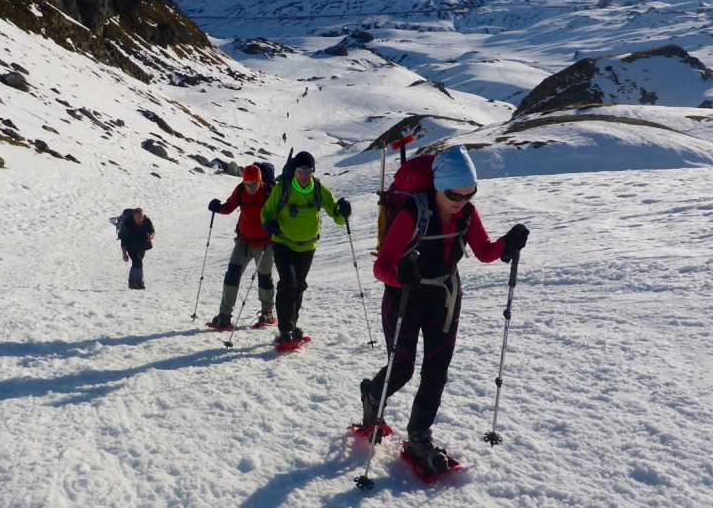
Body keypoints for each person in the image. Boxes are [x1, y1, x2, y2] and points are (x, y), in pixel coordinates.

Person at [359, 145, 528, 475]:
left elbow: (484, 252)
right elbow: (381, 267)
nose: (461, 201)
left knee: (436, 371)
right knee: (403, 368)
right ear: (439, 186)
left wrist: (508, 242)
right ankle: (372, 395)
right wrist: (399, 275)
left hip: (445, 300)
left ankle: (420, 436)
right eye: (455, 194)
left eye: (469, 194)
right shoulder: (412, 213)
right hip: (403, 298)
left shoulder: (466, 213)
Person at [261, 151, 351, 344]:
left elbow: (338, 218)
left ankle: (292, 326)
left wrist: (345, 212)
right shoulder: (282, 188)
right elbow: (266, 212)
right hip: (283, 242)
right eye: (300, 170)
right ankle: (285, 330)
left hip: (308, 247)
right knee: (288, 284)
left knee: (299, 286)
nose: (303, 174)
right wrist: (268, 224)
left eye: (307, 170)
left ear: (313, 171)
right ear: (294, 171)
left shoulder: (319, 189)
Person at [207, 165, 276, 328]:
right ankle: (225, 315)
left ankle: (267, 312)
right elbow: (229, 207)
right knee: (232, 274)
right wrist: (217, 208)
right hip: (243, 241)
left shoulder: (269, 192)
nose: (250, 188)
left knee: (264, 278)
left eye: (253, 184)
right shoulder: (240, 190)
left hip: (265, 243)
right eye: (247, 184)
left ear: (260, 180)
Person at [118, 207, 155, 289]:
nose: (140, 219)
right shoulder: (127, 223)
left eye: (141, 217)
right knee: (138, 262)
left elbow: (152, 230)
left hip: (142, 245)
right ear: (133, 217)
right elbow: (123, 240)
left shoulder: (147, 221)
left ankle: (131, 283)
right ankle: (139, 283)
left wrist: (151, 236)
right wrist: (124, 254)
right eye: (138, 218)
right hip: (130, 245)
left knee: (136, 263)